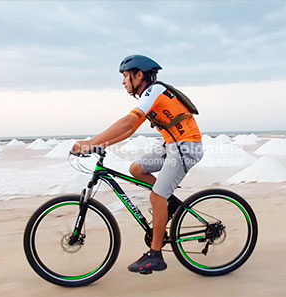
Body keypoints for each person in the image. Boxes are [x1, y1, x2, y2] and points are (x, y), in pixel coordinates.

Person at [72, 55, 203, 274]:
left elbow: (128, 122)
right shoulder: (149, 94)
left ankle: (156, 255)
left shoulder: (154, 91)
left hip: (186, 147)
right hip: (172, 145)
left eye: (125, 76)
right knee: (136, 170)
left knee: (157, 196)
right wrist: (99, 144)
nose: (123, 81)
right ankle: (170, 206)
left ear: (139, 75)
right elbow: (130, 129)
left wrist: (92, 143)